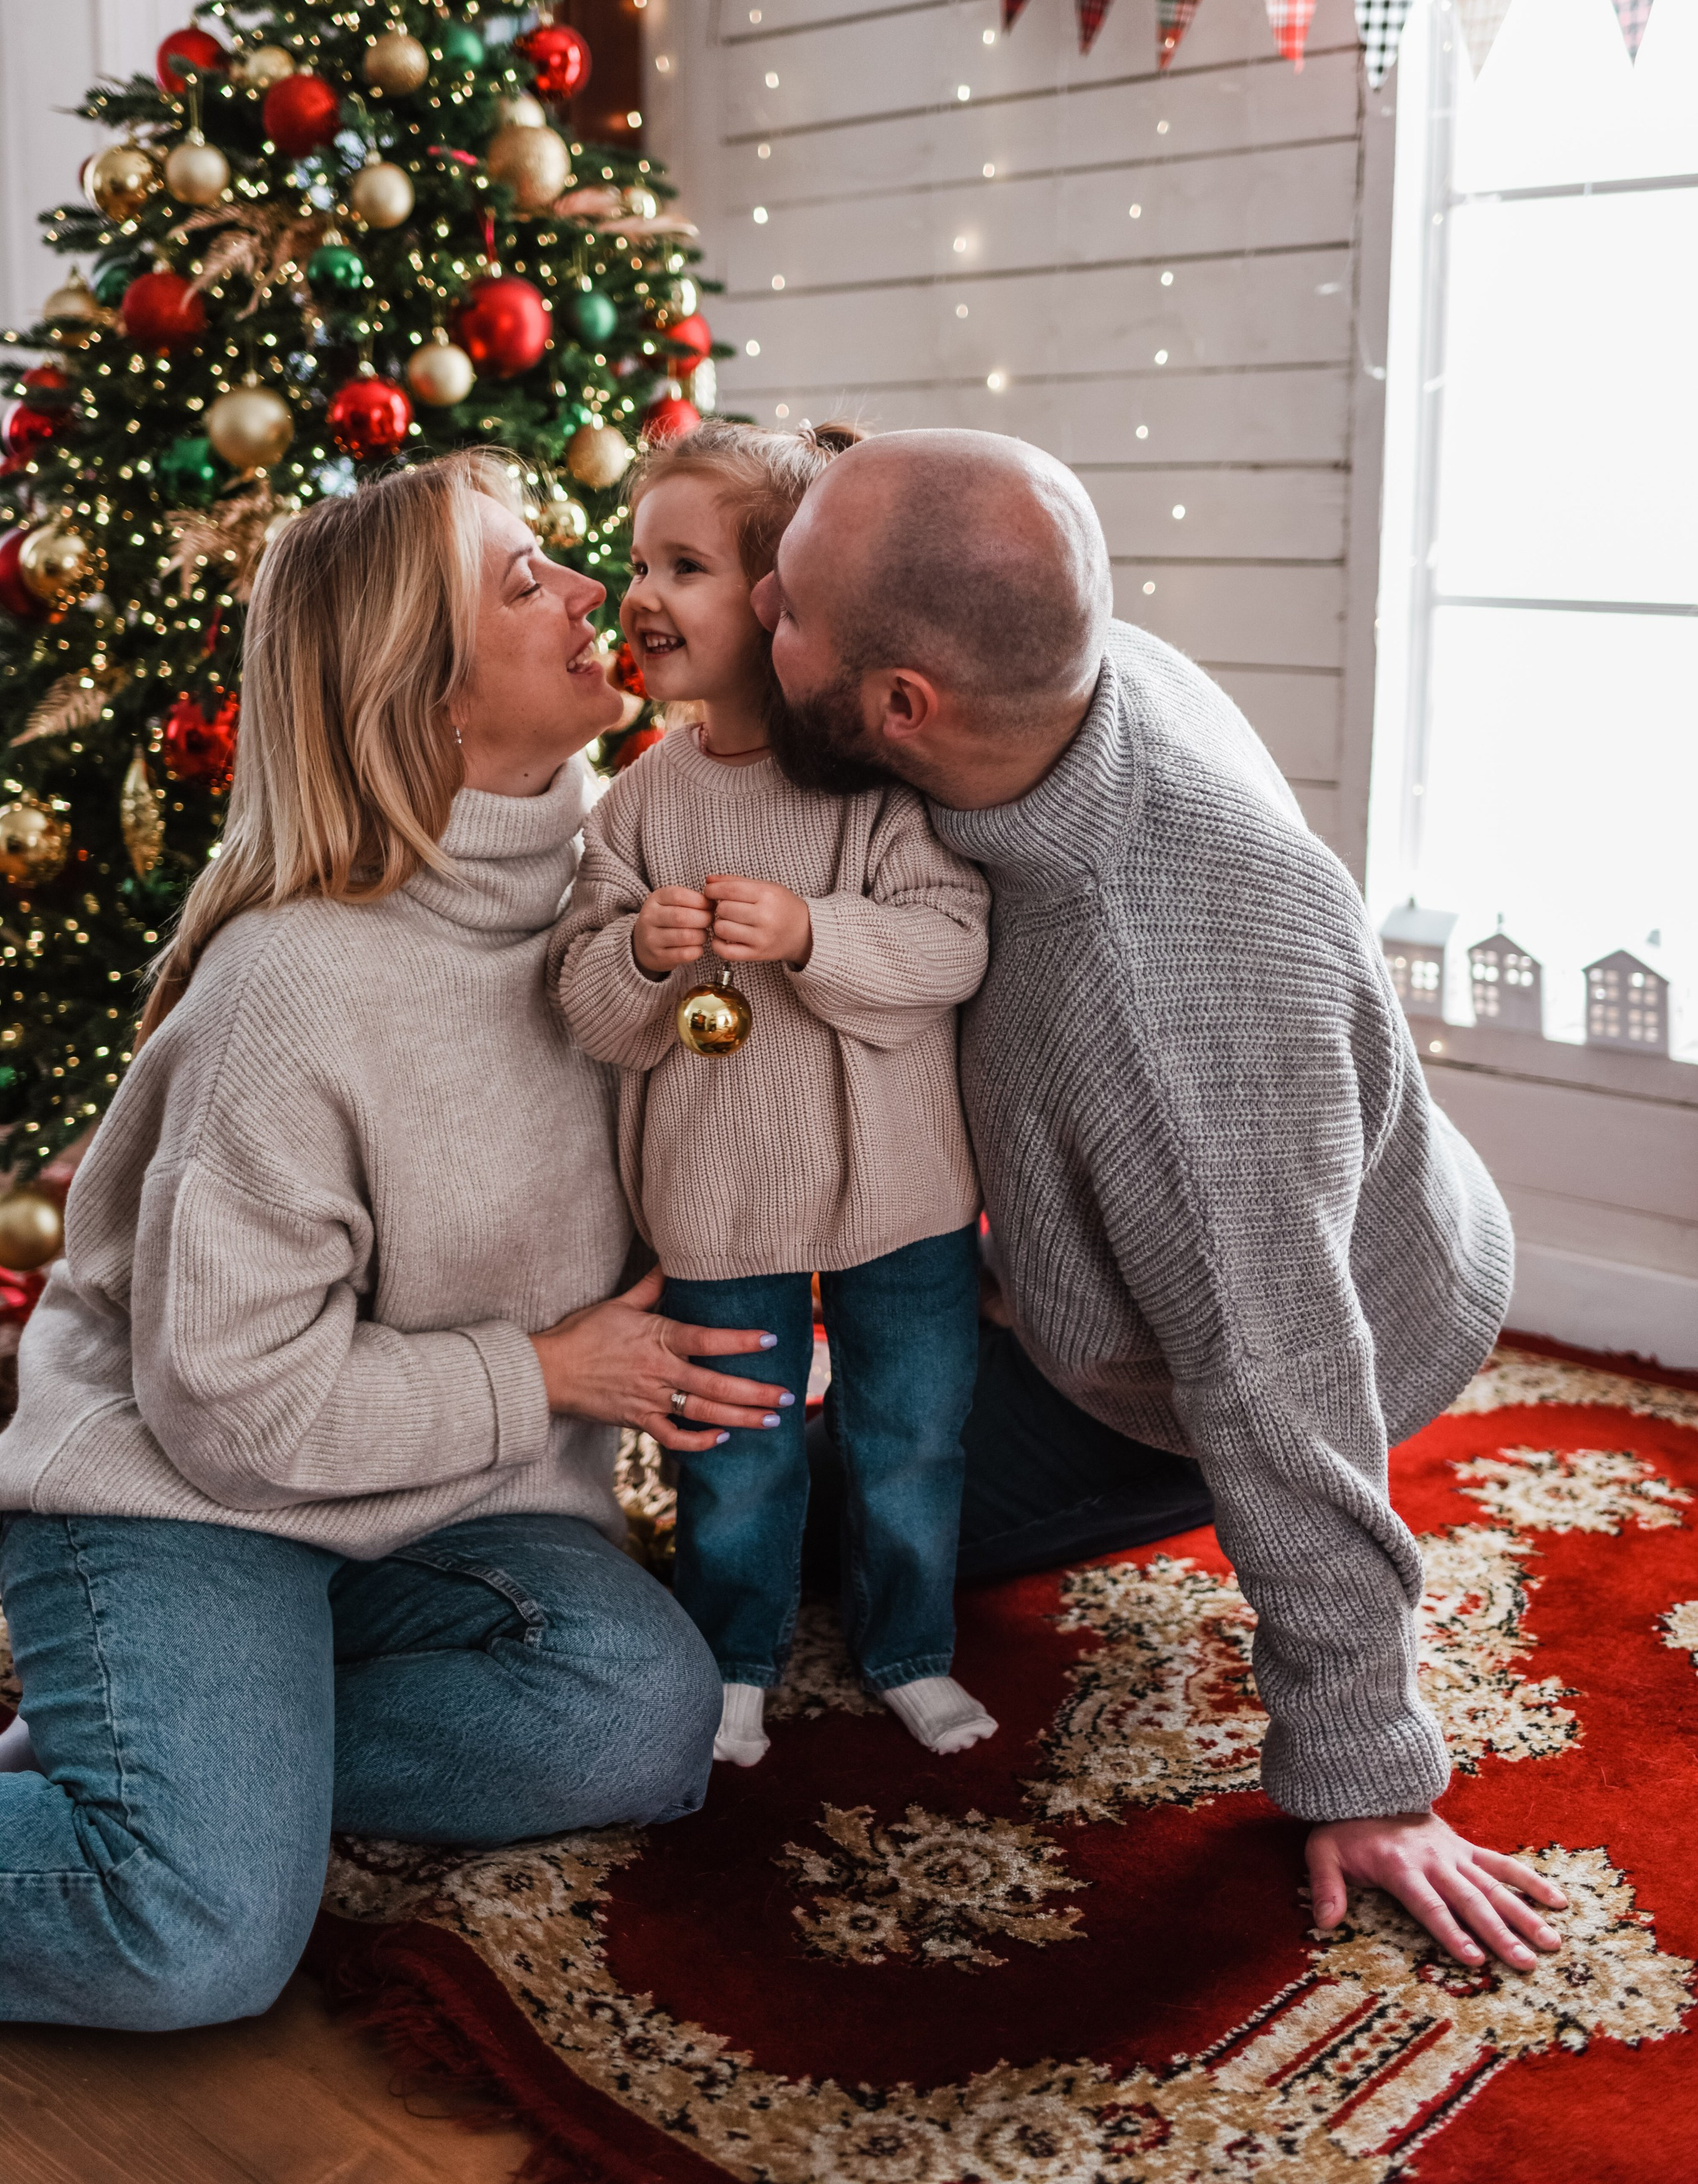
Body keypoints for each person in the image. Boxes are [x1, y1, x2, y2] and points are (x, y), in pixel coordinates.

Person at [756, 425, 1571, 1975]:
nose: (752, 615)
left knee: (808, 1516)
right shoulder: (1067, 672)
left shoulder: (1164, 1002)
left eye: (784, 605)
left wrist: (1368, 1773)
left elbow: (1278, 1379)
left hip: (1277, 1338)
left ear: (902, 707)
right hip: (1191, 1225)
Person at [0, 452, 791, 2031]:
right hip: (187, 1494)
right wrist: (547, 1372)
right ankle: (189, 1795)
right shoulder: (292, 988)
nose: (595, 590)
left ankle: (202, 1762)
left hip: (448, 1511)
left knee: (644, 1717)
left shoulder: (626, 897)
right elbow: (231, 1406)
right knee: (188, 1938)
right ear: (424, 701)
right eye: (524, 582)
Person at [555, 422, 996, 1770]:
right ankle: (734, 1653)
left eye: (680, 565)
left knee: (908, 1438)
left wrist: (811, 933)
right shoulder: (634, 806)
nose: (638, 594)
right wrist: (639, 951)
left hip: (899, 1193)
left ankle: (907, 1644)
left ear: (782, 602)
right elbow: (586, 1005)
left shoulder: (879, 791)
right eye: (637, 561)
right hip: (719, 1201)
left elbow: (950, 946)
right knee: (731, 1456)